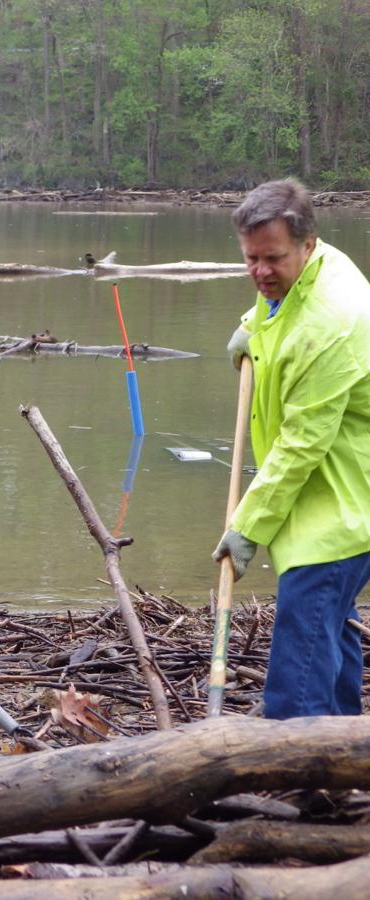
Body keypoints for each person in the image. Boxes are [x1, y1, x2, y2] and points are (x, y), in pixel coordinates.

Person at [214, 178, 370, 720]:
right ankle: (341, 750)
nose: (260, 272)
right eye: (250, 259)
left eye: (272, 259)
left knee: (304, 636)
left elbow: (302, 445)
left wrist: (247, 526)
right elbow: (276, 308)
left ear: (308, 243)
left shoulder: (332, 322)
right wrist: (250, 329)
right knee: (331, 626)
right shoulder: (311, 268)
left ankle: (293, 767)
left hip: (344, 500)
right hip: (320, 486)